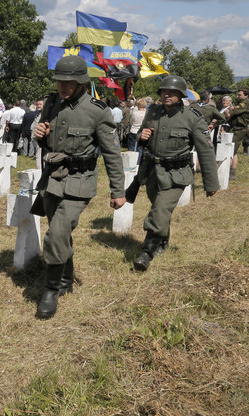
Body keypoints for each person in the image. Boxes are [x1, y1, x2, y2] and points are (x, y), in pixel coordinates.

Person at [32, 55, 126, 319]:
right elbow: (48, 142)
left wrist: (118, 191)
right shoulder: (51, 103)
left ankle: (50, 290)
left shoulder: (97, 111)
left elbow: (112, 154)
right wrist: (40, 136)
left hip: (80, 182)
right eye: (59, 81)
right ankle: (66, 278)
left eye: (69, 82)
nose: (63, 86)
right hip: (53, 179)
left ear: (81, 82)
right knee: (60, 233)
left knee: (56, 232)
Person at [133, 76, 219, 270]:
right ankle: (162, 241)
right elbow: (141, 135)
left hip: (177, 173)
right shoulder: (153, 112)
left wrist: (211, 184)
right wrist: (142, 137)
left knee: (160, 209)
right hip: (153, 171)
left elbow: (205, 150)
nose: (167, 95)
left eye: (171, 92)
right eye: (164, 92)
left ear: (181, 95)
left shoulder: (192, 117)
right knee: (160, 207)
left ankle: (146, 252)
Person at [225, 88, 249, 179]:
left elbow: (230, 114)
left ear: (246, 95)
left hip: (238, 129)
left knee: (230, 151)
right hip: (237, 129)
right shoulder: (242, 103)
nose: (237, 96)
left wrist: (227, 110)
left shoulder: (245, 103)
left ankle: (228, 173)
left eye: (240, 94)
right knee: (233, 152)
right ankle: (232, 174)